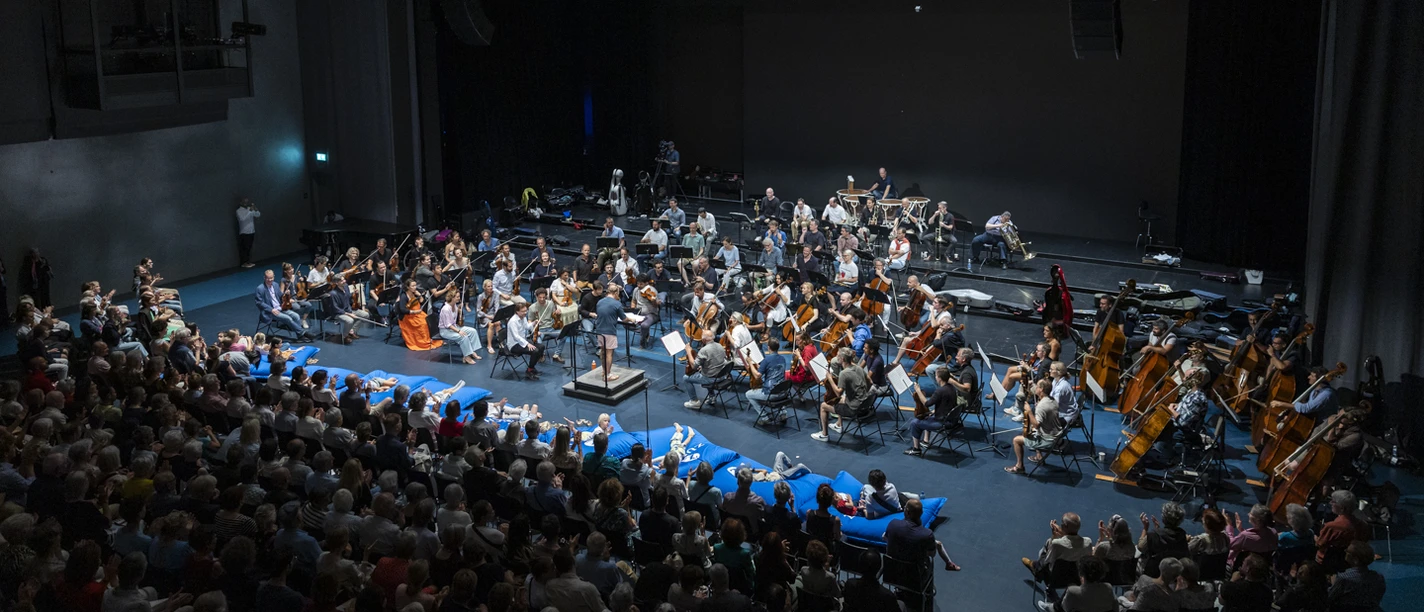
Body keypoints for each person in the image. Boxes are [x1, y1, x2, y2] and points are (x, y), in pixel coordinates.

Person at [812, 347, 872, 442]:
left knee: (823, 406)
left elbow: (838, 393)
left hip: (853, 409)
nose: (836, 357)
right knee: (841, 399)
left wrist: (830, 378)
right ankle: (839, 425)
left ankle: (824, 435)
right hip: (865, 404)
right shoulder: (859, 368)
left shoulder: (843, 373)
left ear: (842, 359)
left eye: (838, 356)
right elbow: (870, 381)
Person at [1006, 380, 1064, 474]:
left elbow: (1036, 425)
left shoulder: (1041, 406)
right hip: (1057, 436)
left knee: (1016, 440)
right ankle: (1039, 456)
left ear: (1041, 389)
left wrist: (1029, 411)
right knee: (1032, 431)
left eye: (1037, 387)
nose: (1035, 388)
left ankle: (1019, 466)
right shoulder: (1053, 400)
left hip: (1048, 440)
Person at [885, 498, 960, 571]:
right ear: (921, 513)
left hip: (892, 572)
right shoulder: (927, 534)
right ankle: (949, 563)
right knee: (937, 545)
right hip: (914, 575)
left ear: (907, 512)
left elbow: (885, 538)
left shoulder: (893, 524)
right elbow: (932, 554)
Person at [1022, 512, 1094, 582]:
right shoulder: (1088, 542)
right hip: (1077, 578)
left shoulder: (1056, 544)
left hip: (1056, 579)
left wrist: (1054, 536)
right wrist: (1064, 534)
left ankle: (1035, 568)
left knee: (1046, 549)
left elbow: (1047, 561)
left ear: (1064, 526)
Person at [255, 270, 312, 341]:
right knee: (288, 319)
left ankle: (299, 334)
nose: (270, 280)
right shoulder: (260, 288)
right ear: (264, 278)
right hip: (270, 312)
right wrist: (271, 309)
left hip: (281, 308)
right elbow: (259, 303)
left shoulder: (275, 285)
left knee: (296, 316)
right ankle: (301, 334)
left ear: (274, 277)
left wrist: (287, 296)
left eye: (271, 278)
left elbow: (280, 296)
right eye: (268, 278)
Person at [1328, 541, 1385, 610]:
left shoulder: (1344, 578)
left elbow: (1330, 597)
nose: (1345, 552)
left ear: (1355, 559)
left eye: (1347, 552)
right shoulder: (1378, 577)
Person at [681, 329, 729, 409]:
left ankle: (694, 401)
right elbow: (715, 360)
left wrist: (689, 351)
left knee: (686, 378)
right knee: (703, 370)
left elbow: (694, 366)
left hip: (712, 378)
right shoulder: (719, 345)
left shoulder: (704, 350)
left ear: (703, 340)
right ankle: (711, 397)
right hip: (722, 375)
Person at [395, 279, 443, 351]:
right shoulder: (404, 296)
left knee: (429, 320)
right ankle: (423, 341)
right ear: (408, 287)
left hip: (417, 313)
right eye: (413, 286)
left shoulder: (414, 293)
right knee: (423, 324)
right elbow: (403, 310)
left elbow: (422, 301)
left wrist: (419, 295)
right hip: (408, 316)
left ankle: (431, 338)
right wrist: (415, 312)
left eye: (415, 285)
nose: (415, 287)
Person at [437, 288, 482, 364]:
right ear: (452, 297)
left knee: (473, 331)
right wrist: (459, 331)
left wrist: (459, 312)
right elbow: (448, 325)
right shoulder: (445, 309)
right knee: (463, 337)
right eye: (457, 297)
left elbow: (456, 320)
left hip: (454, 327)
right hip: (446, 331)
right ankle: (467, 356)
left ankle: (471, 352)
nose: (459, 298)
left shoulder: (455, 306)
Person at [323, 276, 368, 343]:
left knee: (365, 315)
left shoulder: (346, 286)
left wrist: (355, 294)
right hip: (338, 313)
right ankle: (344, 337)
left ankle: (351, 331)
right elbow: (335, 308)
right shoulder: (333, 294)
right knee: (350, 320)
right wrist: (348, 314)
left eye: (344, 279)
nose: (344, 281)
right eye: (341, 281)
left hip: (348, 309)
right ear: (336, 283)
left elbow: (348, 298)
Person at [236, 198, 260, 268]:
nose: (246, 203)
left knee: (249, 247)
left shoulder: (250, 209)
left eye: (247, 202)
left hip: (251, 231)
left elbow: (258, 214)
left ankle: (248, 261)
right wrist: (249, 211)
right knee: (244, 248)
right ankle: (244, 263)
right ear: (240, 202)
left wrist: (255, 208)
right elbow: (242, 219)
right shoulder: (238, 211)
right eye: (244, 202)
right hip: (244, 232)